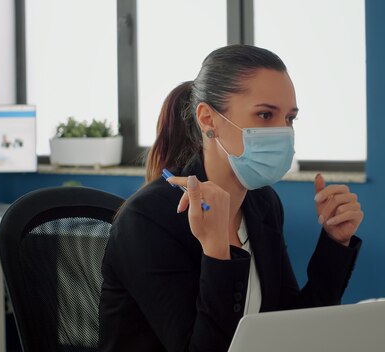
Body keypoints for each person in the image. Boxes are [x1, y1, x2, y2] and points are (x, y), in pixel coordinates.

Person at [98, 44, 364, 352]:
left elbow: (290, 325)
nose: (282, 131)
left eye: (290, 118)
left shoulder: (262, 204)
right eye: (265, 115)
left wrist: (335, 243)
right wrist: (216, 251)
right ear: (208, 119)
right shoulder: (148, 220)